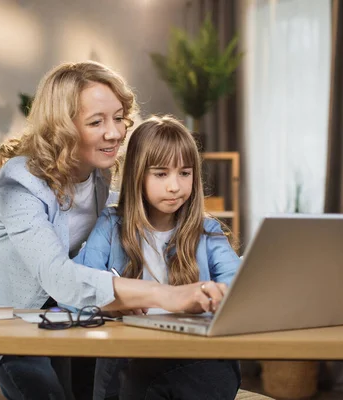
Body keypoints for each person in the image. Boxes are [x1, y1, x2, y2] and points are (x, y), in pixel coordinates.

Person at [0, 61, 229, 400]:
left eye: (119, 117)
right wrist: (167, 294)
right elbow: (58, 276)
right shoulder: (18, 183)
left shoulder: (98, 175)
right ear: (64, 128)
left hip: (66, 311)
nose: (116, 132)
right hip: (7, 315)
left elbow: (126, 212)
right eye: (96, 122)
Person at [73, 115, 242, 400]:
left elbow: (238, 289)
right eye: (161, 174)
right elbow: (74, 288)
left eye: (185, 173)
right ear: (137, 175)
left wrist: (214, 297)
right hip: (128, 361)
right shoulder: (111, 226)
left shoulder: (207, 231)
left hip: (197, 357)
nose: (175, 186)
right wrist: (111, 305)